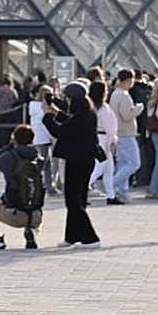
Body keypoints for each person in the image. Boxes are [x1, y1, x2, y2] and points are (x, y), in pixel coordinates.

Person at [43, 83, 100, 248]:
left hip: (77, 161)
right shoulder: (87, 113)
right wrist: (57, 113)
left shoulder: (81, 118)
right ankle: (72, 236)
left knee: (74, 201)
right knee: (77, 199)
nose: (66, 101)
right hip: (84, 160)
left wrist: (48, 117)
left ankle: (90, 238)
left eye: (67, 98)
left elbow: (60, 132)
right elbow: (70, 122)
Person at [0, 124, 43, 250]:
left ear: (15, 139)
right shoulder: (38, 158)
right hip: (36, 216)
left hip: (15, 216)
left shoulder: (11, 157)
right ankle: (30, 232)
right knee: (26, 192)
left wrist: (9, 147)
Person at [108, 70, 144, 202]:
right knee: (134, 163)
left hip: (118, 132)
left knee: (123, 164)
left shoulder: (115, 94)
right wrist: (139, 108)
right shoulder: (124, 95)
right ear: (129, 80)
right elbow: (127, 115)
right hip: (126, 133)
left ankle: (122, 191)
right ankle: (111, 184)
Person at [86, 80, 118, 203]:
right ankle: (83, 188)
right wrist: (112, 142)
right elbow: (110, 127)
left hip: (96, 136)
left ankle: (111, 195)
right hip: (104, 138)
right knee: (100, 167)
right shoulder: (104, 108)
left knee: (108, 169)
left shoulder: (91, 107)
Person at [27, 84, 57, 193]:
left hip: (39, 137)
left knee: (46, 164)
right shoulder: (41, 108)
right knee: (42, 165)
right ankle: (37, 186)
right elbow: (45, 122)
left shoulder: (33, 106)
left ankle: (48, 187)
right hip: (43, 138)